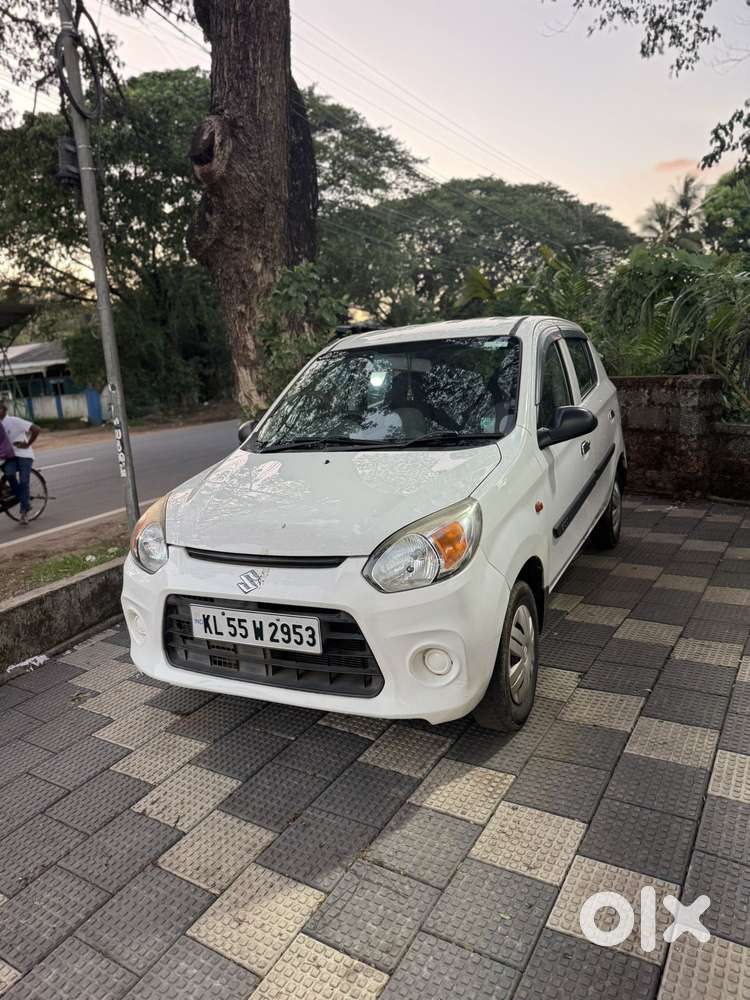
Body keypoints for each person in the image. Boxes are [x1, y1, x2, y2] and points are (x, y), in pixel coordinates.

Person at [0, 399, 40, 526]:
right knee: (9, 475)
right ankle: (23, 499)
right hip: (9, 457)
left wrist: (27, 444)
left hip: (24, 455)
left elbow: (36, 429)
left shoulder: (14, 421)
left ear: (4, 410)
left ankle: (24, 511)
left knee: (23, 480)